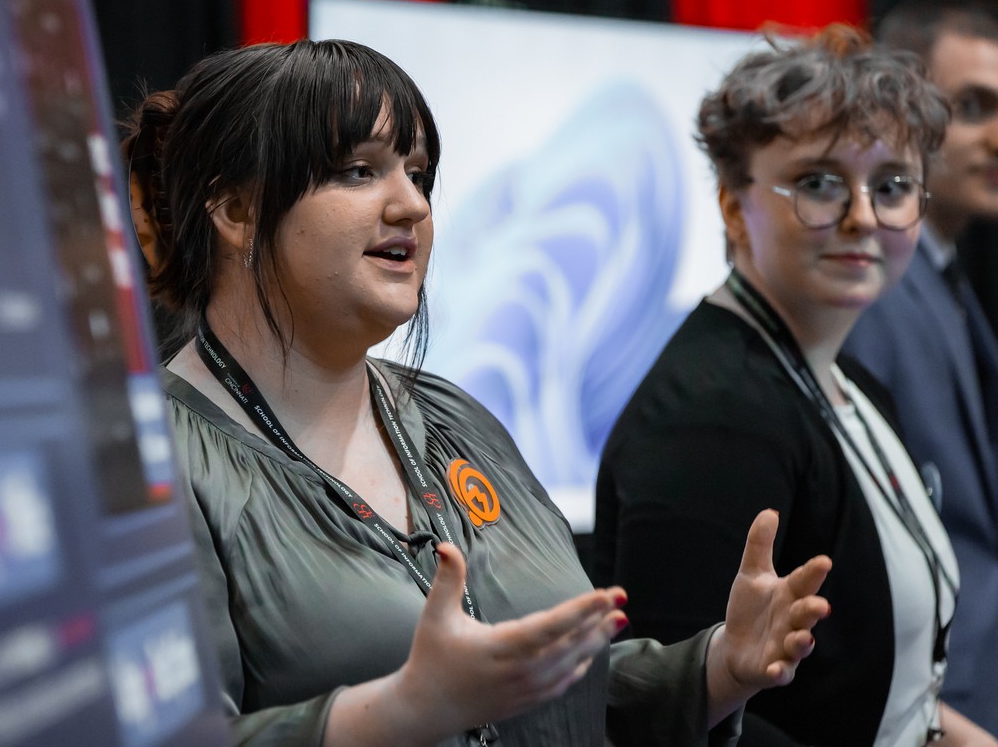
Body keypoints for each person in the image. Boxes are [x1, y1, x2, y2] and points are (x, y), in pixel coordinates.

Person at [123, 38, 833, 746]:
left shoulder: (455, 417)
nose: (410, 205)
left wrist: (716, 668)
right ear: (237, 211)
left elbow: (557, 687)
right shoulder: (153, 464)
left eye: (419, 173)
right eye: (358, 171)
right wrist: (402, 710)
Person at [593, 25, 997, 745]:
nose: (863, 217)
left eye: (893, 186)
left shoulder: (850, 382)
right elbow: (656, 714)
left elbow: (877, 684)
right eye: (818, 183)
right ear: (731, 205)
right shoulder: (712, 417)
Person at [843, 0, 998, 734]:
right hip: (932, 707)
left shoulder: (948, 281)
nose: (996, 135)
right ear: (901, 116)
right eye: (971, 107)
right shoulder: (872, 295)